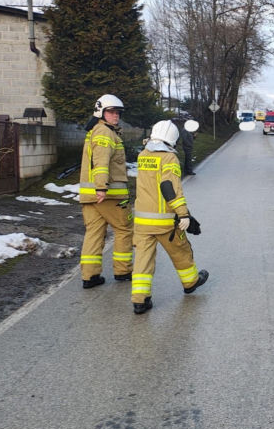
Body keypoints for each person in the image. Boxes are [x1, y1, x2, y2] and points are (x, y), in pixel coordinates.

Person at [131, 120, 208, 314]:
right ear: (173, 139)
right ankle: (190, 282)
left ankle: (140, 300)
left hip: (141, 220)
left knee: (143, 259)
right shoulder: (169, 158)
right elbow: (170, 188)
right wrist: (184, 214)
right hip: (164, 221)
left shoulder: (143, 155)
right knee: (181, 251)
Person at [78, 94, 133, 288]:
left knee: (94, 233)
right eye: (111, 112)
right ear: (100, 112)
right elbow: (100, 162)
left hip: (90, 196)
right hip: (110, 195)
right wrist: (101, 187)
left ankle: (90, 276)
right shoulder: (104, 132)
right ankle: (123, 271)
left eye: (118, 112)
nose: (116, 115)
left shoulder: (97, 130)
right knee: (124, 229)